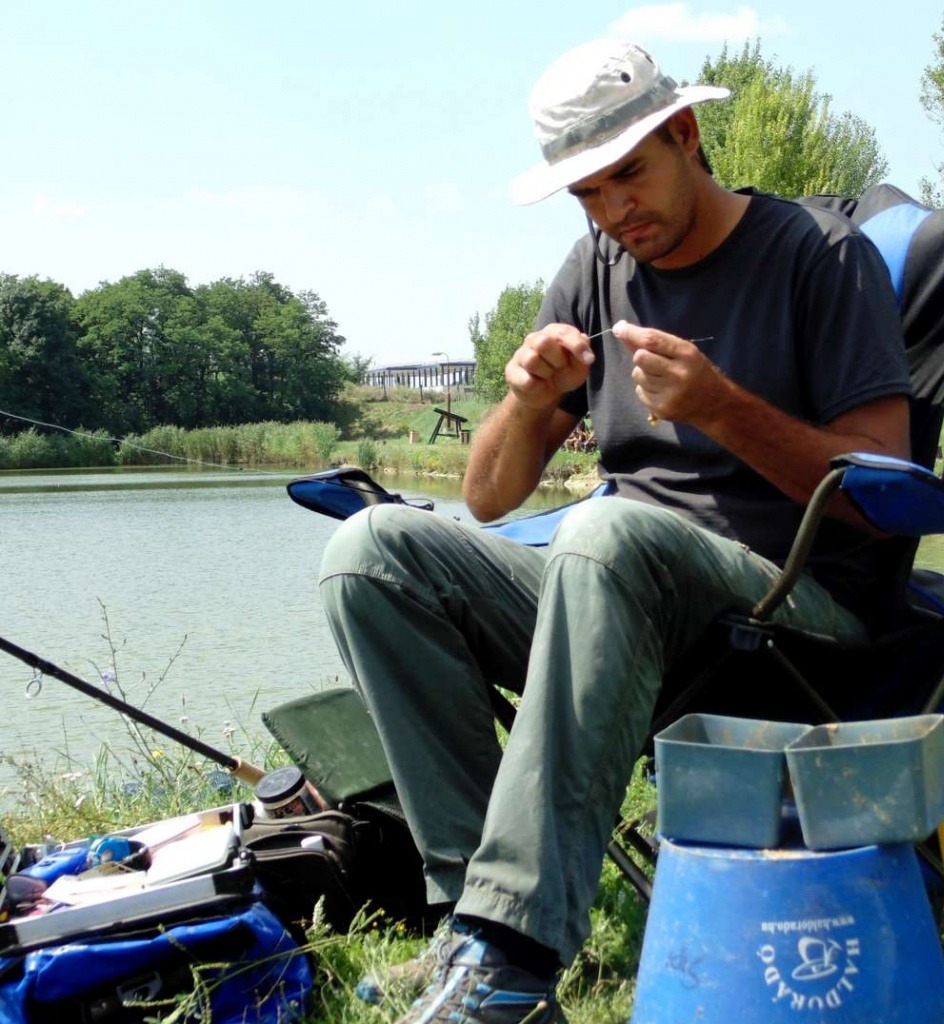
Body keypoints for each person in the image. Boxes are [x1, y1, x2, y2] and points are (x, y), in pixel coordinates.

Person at [319, 37, 911, 1024]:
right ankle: (474, 925)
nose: (613, 211)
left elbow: (883, 487)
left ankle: (512, 961)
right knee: (370, 552)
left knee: (611, 533)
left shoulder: (818, 254)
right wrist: (523, 401)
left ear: (686, 132)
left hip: (788, 605)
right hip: (615, 597)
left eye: (628, 175)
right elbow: (491, 496)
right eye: (587, 194)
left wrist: (722, 408)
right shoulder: (597, 266)